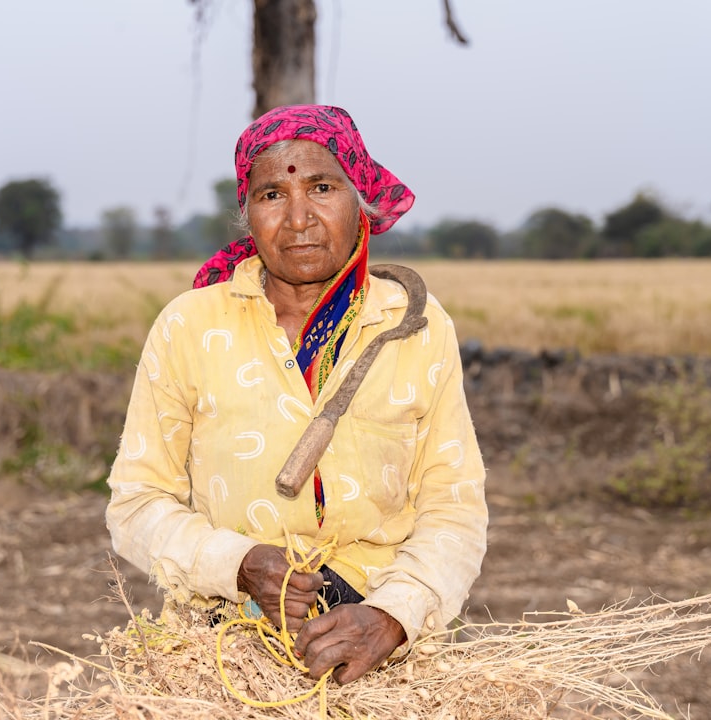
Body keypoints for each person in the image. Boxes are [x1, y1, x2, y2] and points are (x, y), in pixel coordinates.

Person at [105, 104, 488, 685]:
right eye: (272, 195)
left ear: (360, 201)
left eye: (322, 187)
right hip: (220, 650)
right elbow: (135, 504)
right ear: (247, 215)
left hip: (382, 651)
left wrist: (393, 615)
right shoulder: (189, 326)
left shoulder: (415, 324)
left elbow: (454, 508)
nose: (299, 218)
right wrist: (237, 566)